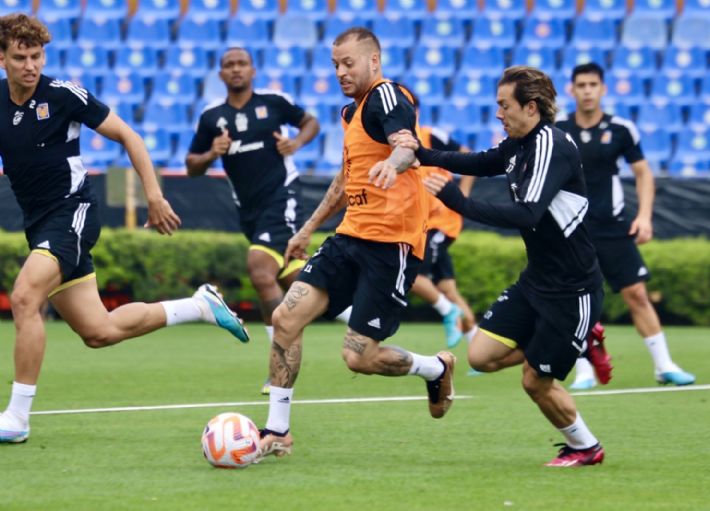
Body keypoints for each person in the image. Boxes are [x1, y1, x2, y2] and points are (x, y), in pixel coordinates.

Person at [0, 14, 249, 443]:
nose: (30, 65)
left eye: (36, 56)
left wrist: (154, 196)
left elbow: (130, 136)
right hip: (38, 223)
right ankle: (199, 307)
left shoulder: (62, 94)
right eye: (20, 57)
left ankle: (17, 418)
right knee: (100, 331)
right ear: (2, 58)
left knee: (24, 296)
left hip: (72, 212)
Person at [393, 66, 610, 466]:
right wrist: (420, 155)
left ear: (530, 107)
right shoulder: (518, 143)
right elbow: (479, 161)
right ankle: (578, 341)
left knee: (535, 381)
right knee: (480, 356)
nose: (498, 113)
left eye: (503, 105)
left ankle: (586, 447)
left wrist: (456, 201)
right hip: (536, 282)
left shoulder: (550, 144)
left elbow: (527, 213)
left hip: (572, 290)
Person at [256, 27, 456, 459]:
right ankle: (277, 430)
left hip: (392, 244)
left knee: (359, 358)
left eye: (349, 63)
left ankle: (436, 368)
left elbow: (407, 144)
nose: (341, 72)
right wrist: (308, 228)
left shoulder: (387, 96)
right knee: (285, 319)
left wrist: (394, 162)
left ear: (374, 61)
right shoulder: (351, 114)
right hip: (349, 237)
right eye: (335, 65)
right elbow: (346, 179)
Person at [185, 47, 321, 396]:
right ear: (220, 74)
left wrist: (296, 142)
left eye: (241, 63)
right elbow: (191, 166)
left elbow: (311, 122)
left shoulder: (273, 103)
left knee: (259, 270)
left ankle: (279, 362)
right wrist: (211, 153)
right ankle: (357, 315)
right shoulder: (212, 117)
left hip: (283, 197)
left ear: (253, 70)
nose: (235, 69)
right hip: (250, 211)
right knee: (297, 281)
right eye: (228, 65)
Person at [556, 63, 695, 389]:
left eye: (593, 84)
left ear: (603, 89)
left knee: (637, 294)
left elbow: (644, 173)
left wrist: (644, 216)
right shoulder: (560, 130)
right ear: (572, 90)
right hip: (572, 229)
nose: (587, 90)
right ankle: (584, 370)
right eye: (581, 85)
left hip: (612, 225)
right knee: (575, 299)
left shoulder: (621, 129)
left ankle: (664, 366)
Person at [410, 108, 477, 349]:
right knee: (447, 288)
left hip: (441, 221)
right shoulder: (393, 145)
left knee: (411, 274)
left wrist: (464, 193)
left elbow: (467, 154)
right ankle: (477, 345)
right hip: (425, 223)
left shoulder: (430, 135)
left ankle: (449, 312)